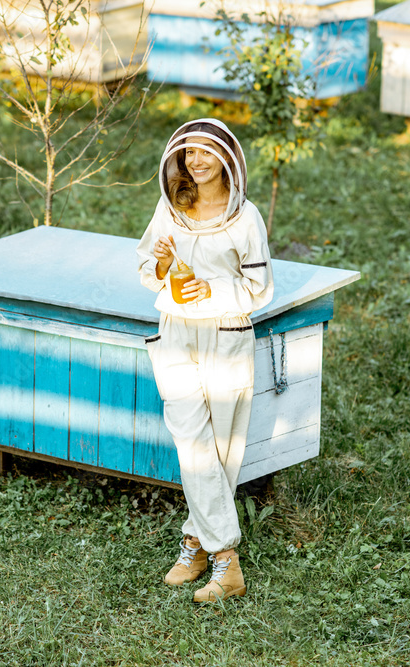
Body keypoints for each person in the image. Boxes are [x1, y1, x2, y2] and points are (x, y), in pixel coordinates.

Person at [136, 118, 274, 603]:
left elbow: (258, 288)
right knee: (190, 440)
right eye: (189, 152)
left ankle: (196, 545)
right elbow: (148, 273)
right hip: (175, 331)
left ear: (227, 159)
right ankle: (225, 562)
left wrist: (211, 289)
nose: (195, 161)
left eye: (206, 153)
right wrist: (159, 261)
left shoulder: (246, 217)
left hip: (227, 334)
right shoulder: (171, 204)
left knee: (219, 448)